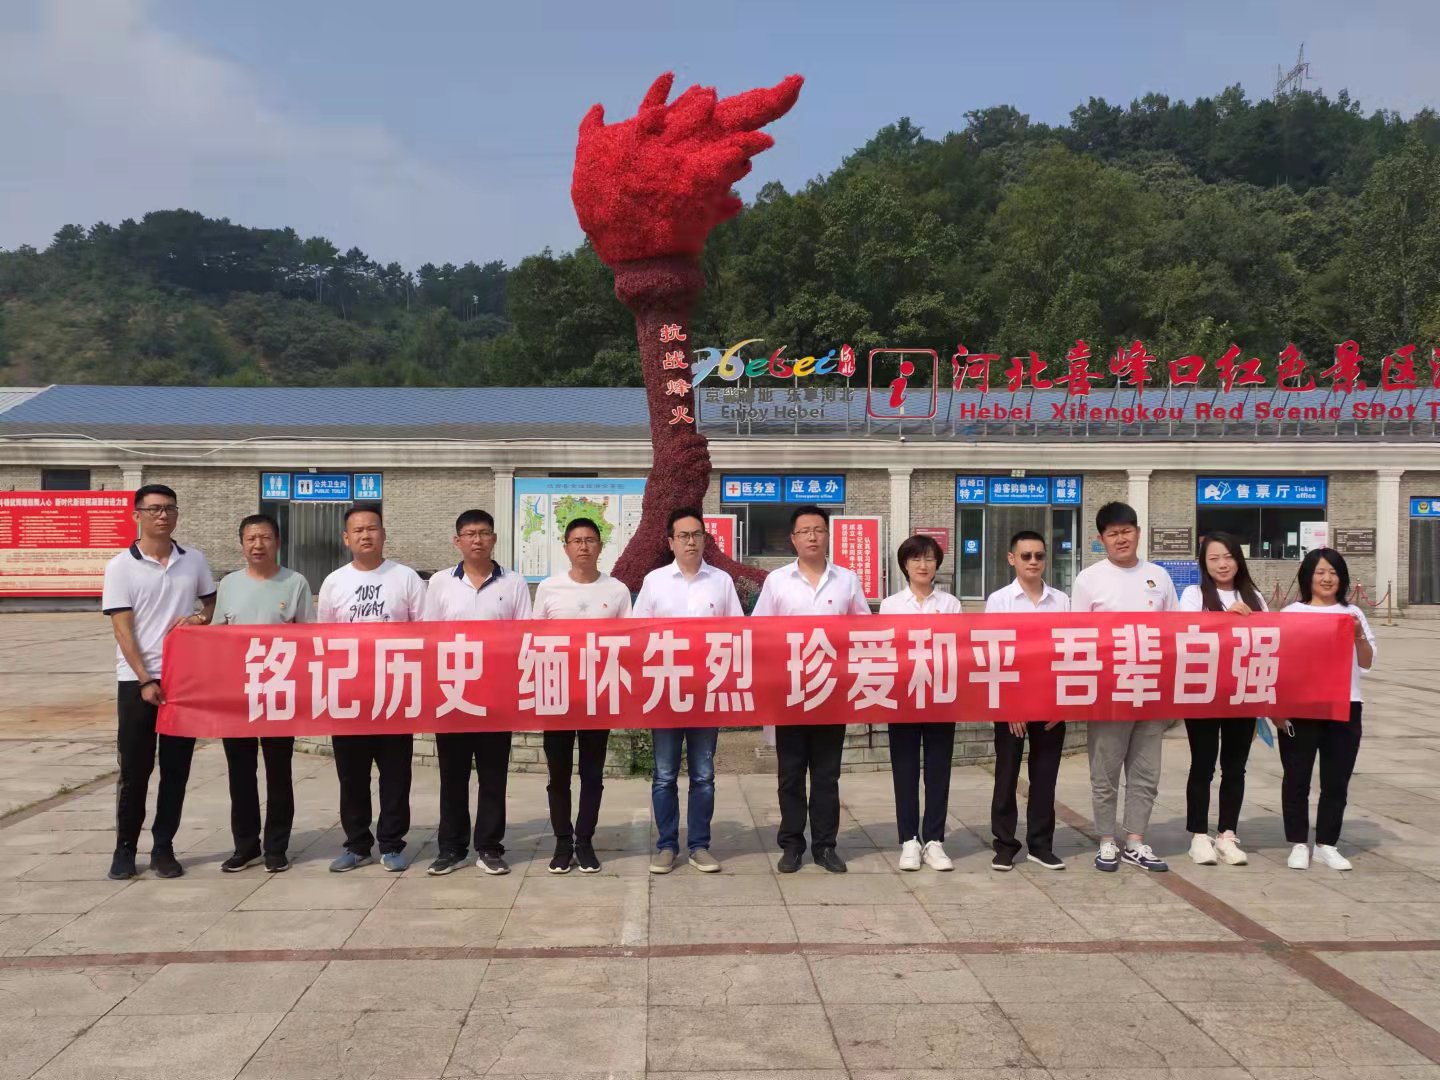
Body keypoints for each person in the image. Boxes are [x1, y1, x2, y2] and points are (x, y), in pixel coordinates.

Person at [100, 484, 216, 881]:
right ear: (137, 515)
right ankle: (125, 849)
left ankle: (164, 846)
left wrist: (199, 618)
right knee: (135, 770)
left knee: (176, 769)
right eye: (154, 509)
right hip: (137, 682)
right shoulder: (120, 566)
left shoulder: (193, 560)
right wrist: (145, 678)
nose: (162, 515)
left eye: (169, 508)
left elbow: (211, 604)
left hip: (184, 681)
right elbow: (122, 629)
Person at [752, 504, 870, 874]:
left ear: (828, 535)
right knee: (789, 774)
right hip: (789, 693)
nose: (812, 537)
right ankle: (791, 846)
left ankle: (825, 846)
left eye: (818, 530)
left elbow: (864, 630)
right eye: (805, 531)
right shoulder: (777, 581)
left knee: (826, 775)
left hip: (831, 692)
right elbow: (759, 631)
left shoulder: (846, 580)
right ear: (793, 539)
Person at [633, 507, 743, 874]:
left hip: (706, 694)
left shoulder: (721, 582)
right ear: (671, 542)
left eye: (697, 534)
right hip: (664, 692)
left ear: (705, 539)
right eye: (683, 536)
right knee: (664, 774)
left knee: (703, 775)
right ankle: (667, 845)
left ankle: (699, 845)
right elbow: (637, 635)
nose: (691, 541)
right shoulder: (654, 582)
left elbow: (737, 633)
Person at [317, 504, 426, 873]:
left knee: (395, 775)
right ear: (346, 538)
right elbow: (324, 639)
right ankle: (357, 845)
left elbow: (424, 632)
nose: (366, 535)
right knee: (352, 776)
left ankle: (392, 844)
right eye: (358, 530)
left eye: (372, 528)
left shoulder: (406, 578)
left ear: (383, 533)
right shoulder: (334, 582)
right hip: (349, 696)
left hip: (395, 693)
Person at [423, 509, 532, 877]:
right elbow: (428, 637)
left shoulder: (513, 583)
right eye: (470, 534)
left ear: (494, 539)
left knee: (493, 776)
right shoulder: (439, 583)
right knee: (452, 776)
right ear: (458, 541)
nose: (477, 540)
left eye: (484, 533)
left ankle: (489, 847)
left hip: (495, 695)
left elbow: (524, 637)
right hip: (451, 693)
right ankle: (451, 849)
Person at [1071, 502, 1179, 873]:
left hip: (1150, 690)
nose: (1121, 539)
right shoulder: (1089, 579)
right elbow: (1078, 638)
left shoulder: (1159, 577)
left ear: (1138, 532)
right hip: (1109, 693)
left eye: (1127, 531)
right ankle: (1106, 839)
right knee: (1105, 772)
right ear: (1101, 539)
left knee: (1146, 772)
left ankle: (1135, 840)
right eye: (1113, 533)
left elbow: (1175, 632)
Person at [213, 513, 313, 874]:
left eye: (266, 538)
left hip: (278, 691)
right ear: (242, 544)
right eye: (251, 538)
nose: (258, 545)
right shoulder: (229, 584)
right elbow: (216, 635)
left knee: (278, 773)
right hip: (237, 695)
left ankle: (276, 847)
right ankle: (245, 846)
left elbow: (309, 638)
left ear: (278, 542)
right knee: (240, 773)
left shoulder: (295, 582)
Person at [534, 516, 633, 874]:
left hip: (597, 696)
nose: (584, 546)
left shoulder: (617, 590)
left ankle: (585, 842)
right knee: (558, 774)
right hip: (557, 694)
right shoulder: (549, 589)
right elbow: (533, 640)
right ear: (566, 547)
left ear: (600, 546)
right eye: (576, 541)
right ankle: (563, 842)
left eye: (590, 540)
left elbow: (629, 643)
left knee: (592, 775)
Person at [1280, 548, 1375, 871]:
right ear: (1308, 577)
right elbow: (1280, 663)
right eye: (1320, 572)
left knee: (1336, 780)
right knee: (1297, 777)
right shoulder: (1291, 613)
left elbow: (1366, 662)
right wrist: (1276, 709)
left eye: (1333, 572)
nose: (1326, 578)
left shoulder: (1352, 614)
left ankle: (1326, 844)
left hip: (1345, 705)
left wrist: (1358, 635)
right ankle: (1298, 842)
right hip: (1301, 706)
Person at [984, 530, 1070, 873]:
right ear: (1012, 559)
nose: (1033, 562)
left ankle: (1041, 845)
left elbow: (1069, 654)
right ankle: (1005, 844)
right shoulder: (999, 601)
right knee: (1006, 775)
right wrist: (1010, 704)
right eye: (1026, 556)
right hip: (1011, 704)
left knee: (1045, 777)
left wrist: (1061, 702)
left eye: (1039, 556)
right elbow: (993, 655)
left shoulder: (1061, 601)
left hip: (1050, 703)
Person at [1178, 532, 1266, 867]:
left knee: (1235, 767)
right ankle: (1198, 835)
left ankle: (1227, 834)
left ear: (1238, 559)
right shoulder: (1193, 594)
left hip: (1242, 691)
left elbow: (1269, 638)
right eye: (1214, 558)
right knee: (1202, 764)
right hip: (1202, 691)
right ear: (1204, 563)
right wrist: (1227, 619)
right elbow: (1186, 633)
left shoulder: (1255, 596)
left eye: (1228, 556)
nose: (1222, 564)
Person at [879, 534, 959, 872]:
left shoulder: (951, 604)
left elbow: (958, 650)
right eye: (915, 559)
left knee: (939, 770)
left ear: (937, 563)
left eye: (928, 558)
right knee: (905, 770)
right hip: (903, 698)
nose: (923, 565)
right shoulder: (891, 605)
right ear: (904, 565)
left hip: (941, 696)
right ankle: (909, 840)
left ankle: (935, 840)